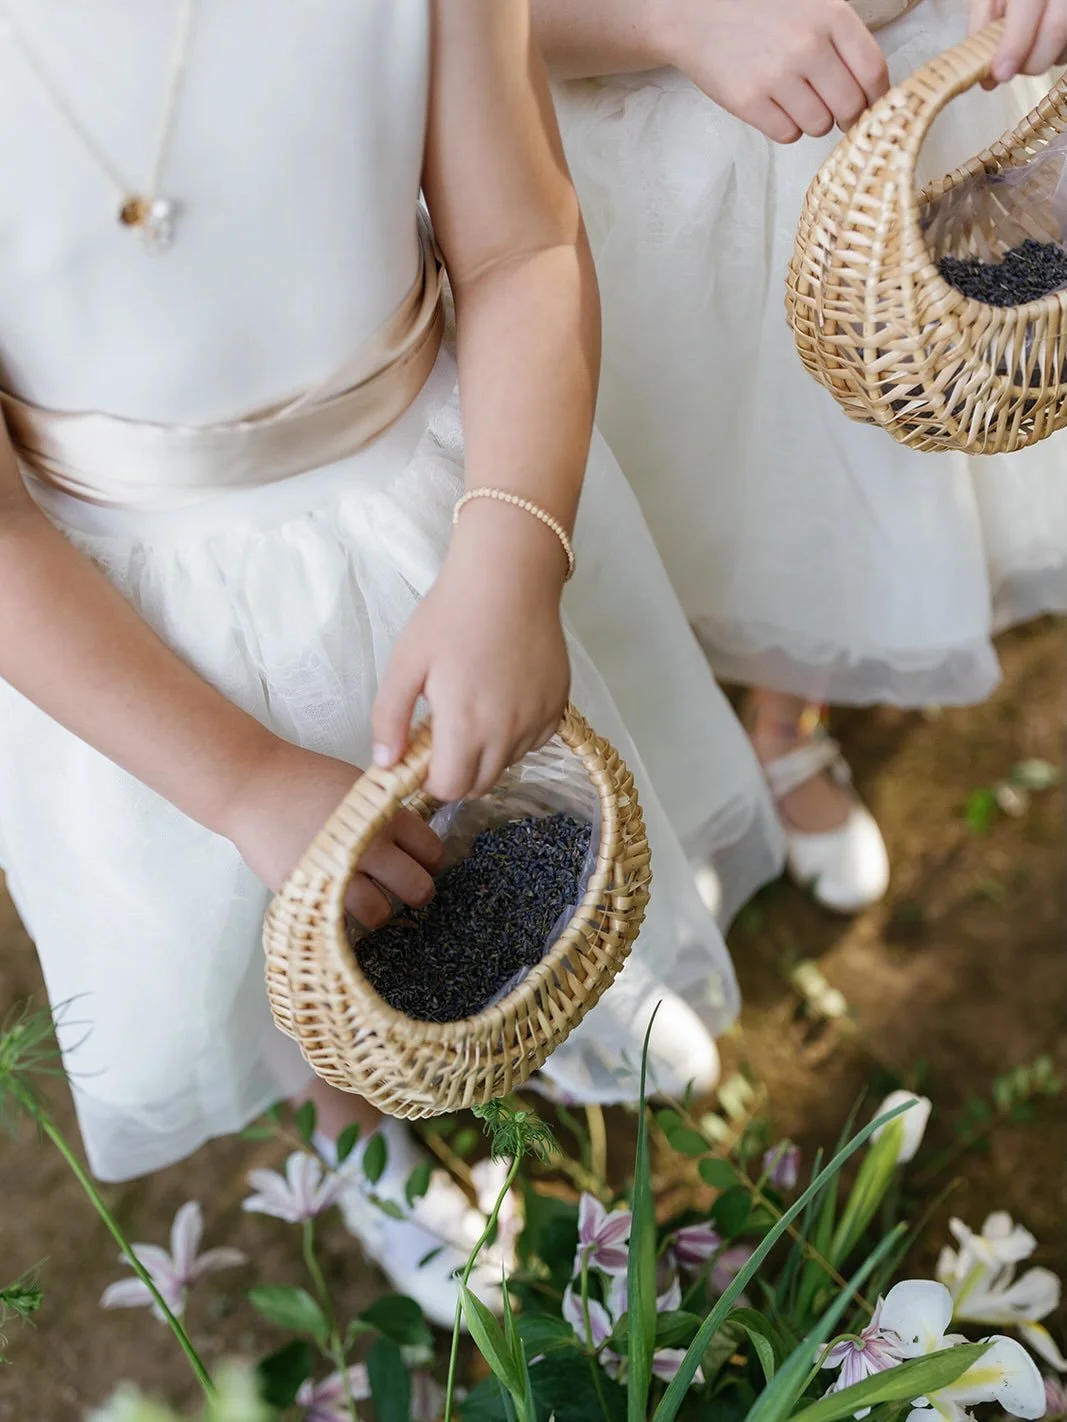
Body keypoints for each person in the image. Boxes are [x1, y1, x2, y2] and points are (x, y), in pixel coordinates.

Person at [0, 0, 785, 1325]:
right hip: (129, 615)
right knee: (287, 927)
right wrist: (245, 780)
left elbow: (521, 241)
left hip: (438, 495)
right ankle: (354, 1126)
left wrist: (510, 557)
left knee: (508, 779)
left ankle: (560, 991)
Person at [533, 0, 1067, 914]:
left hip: (920, 96)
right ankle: (650, 778)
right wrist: (676, 24)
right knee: (644, 493)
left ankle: (783, 724)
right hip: (650, 148)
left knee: (841, 468)